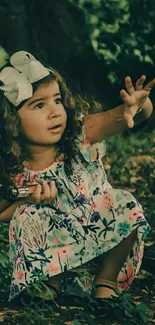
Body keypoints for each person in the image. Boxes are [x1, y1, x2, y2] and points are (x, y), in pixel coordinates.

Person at [0, 51, 154, 303]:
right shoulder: (15, 167)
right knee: (27, 215)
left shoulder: (81, 134)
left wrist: (138, 106)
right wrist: (27, 203)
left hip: (102, 250)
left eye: (57, 100)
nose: (54, 112)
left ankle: (106, 282)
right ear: (10, 122)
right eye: (39, 105)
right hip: (59, 266)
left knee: (123, 201)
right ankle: (49, 286)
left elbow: (130, 116)